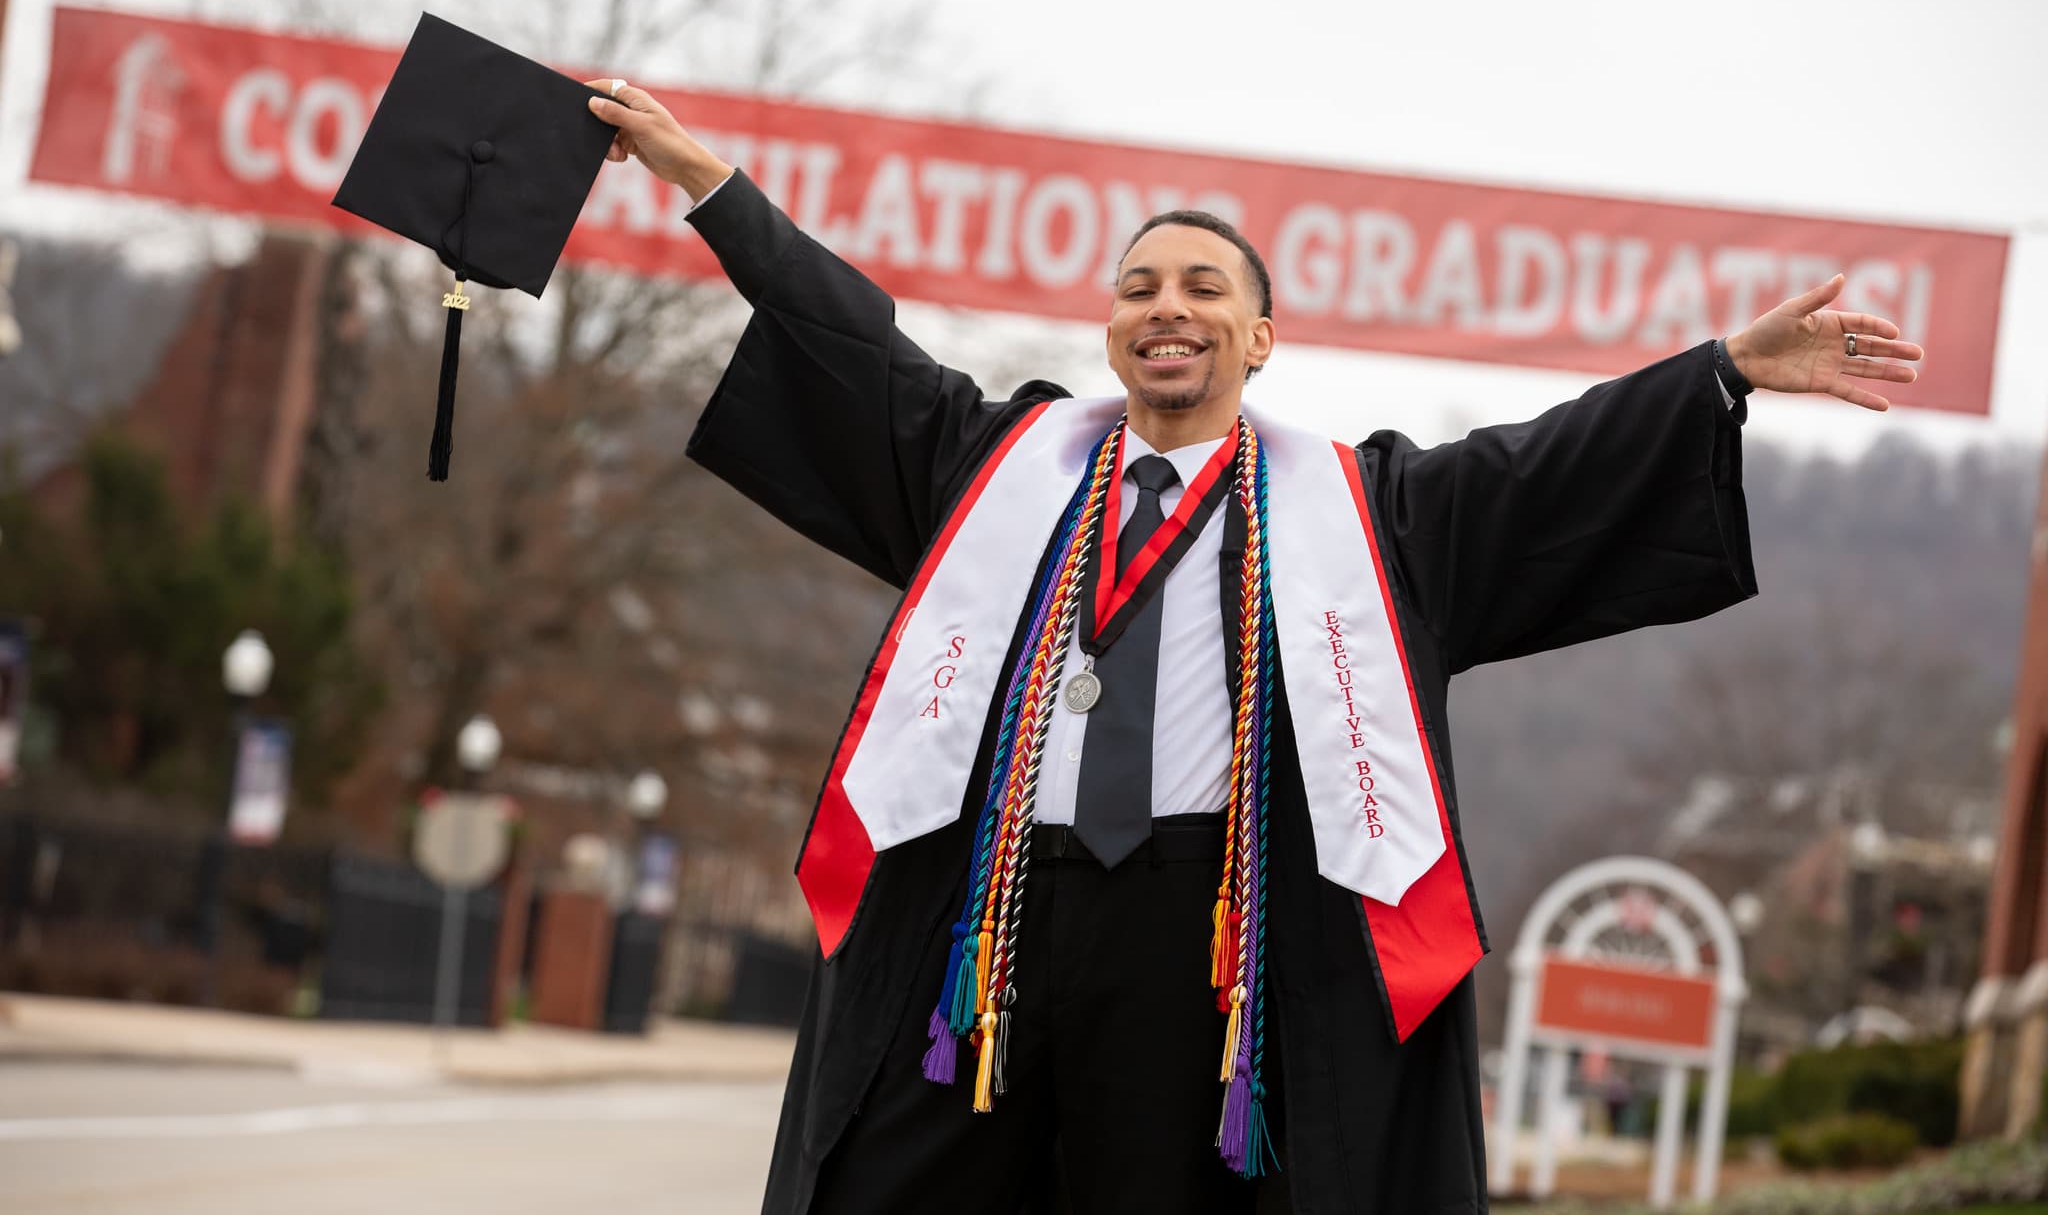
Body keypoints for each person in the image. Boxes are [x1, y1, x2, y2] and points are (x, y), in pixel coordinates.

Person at [586, 80, 1922, 1215]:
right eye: (1140, 285)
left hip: (1202, 937)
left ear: (1262, 337)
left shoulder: (1367, 513)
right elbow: (850, 347)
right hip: (989, 924)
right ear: (1111, 328)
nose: (1168, 306)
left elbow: (1551, 466)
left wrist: (1721, 377)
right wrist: (712, 189)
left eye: (1205, 285)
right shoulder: (1002, 471)